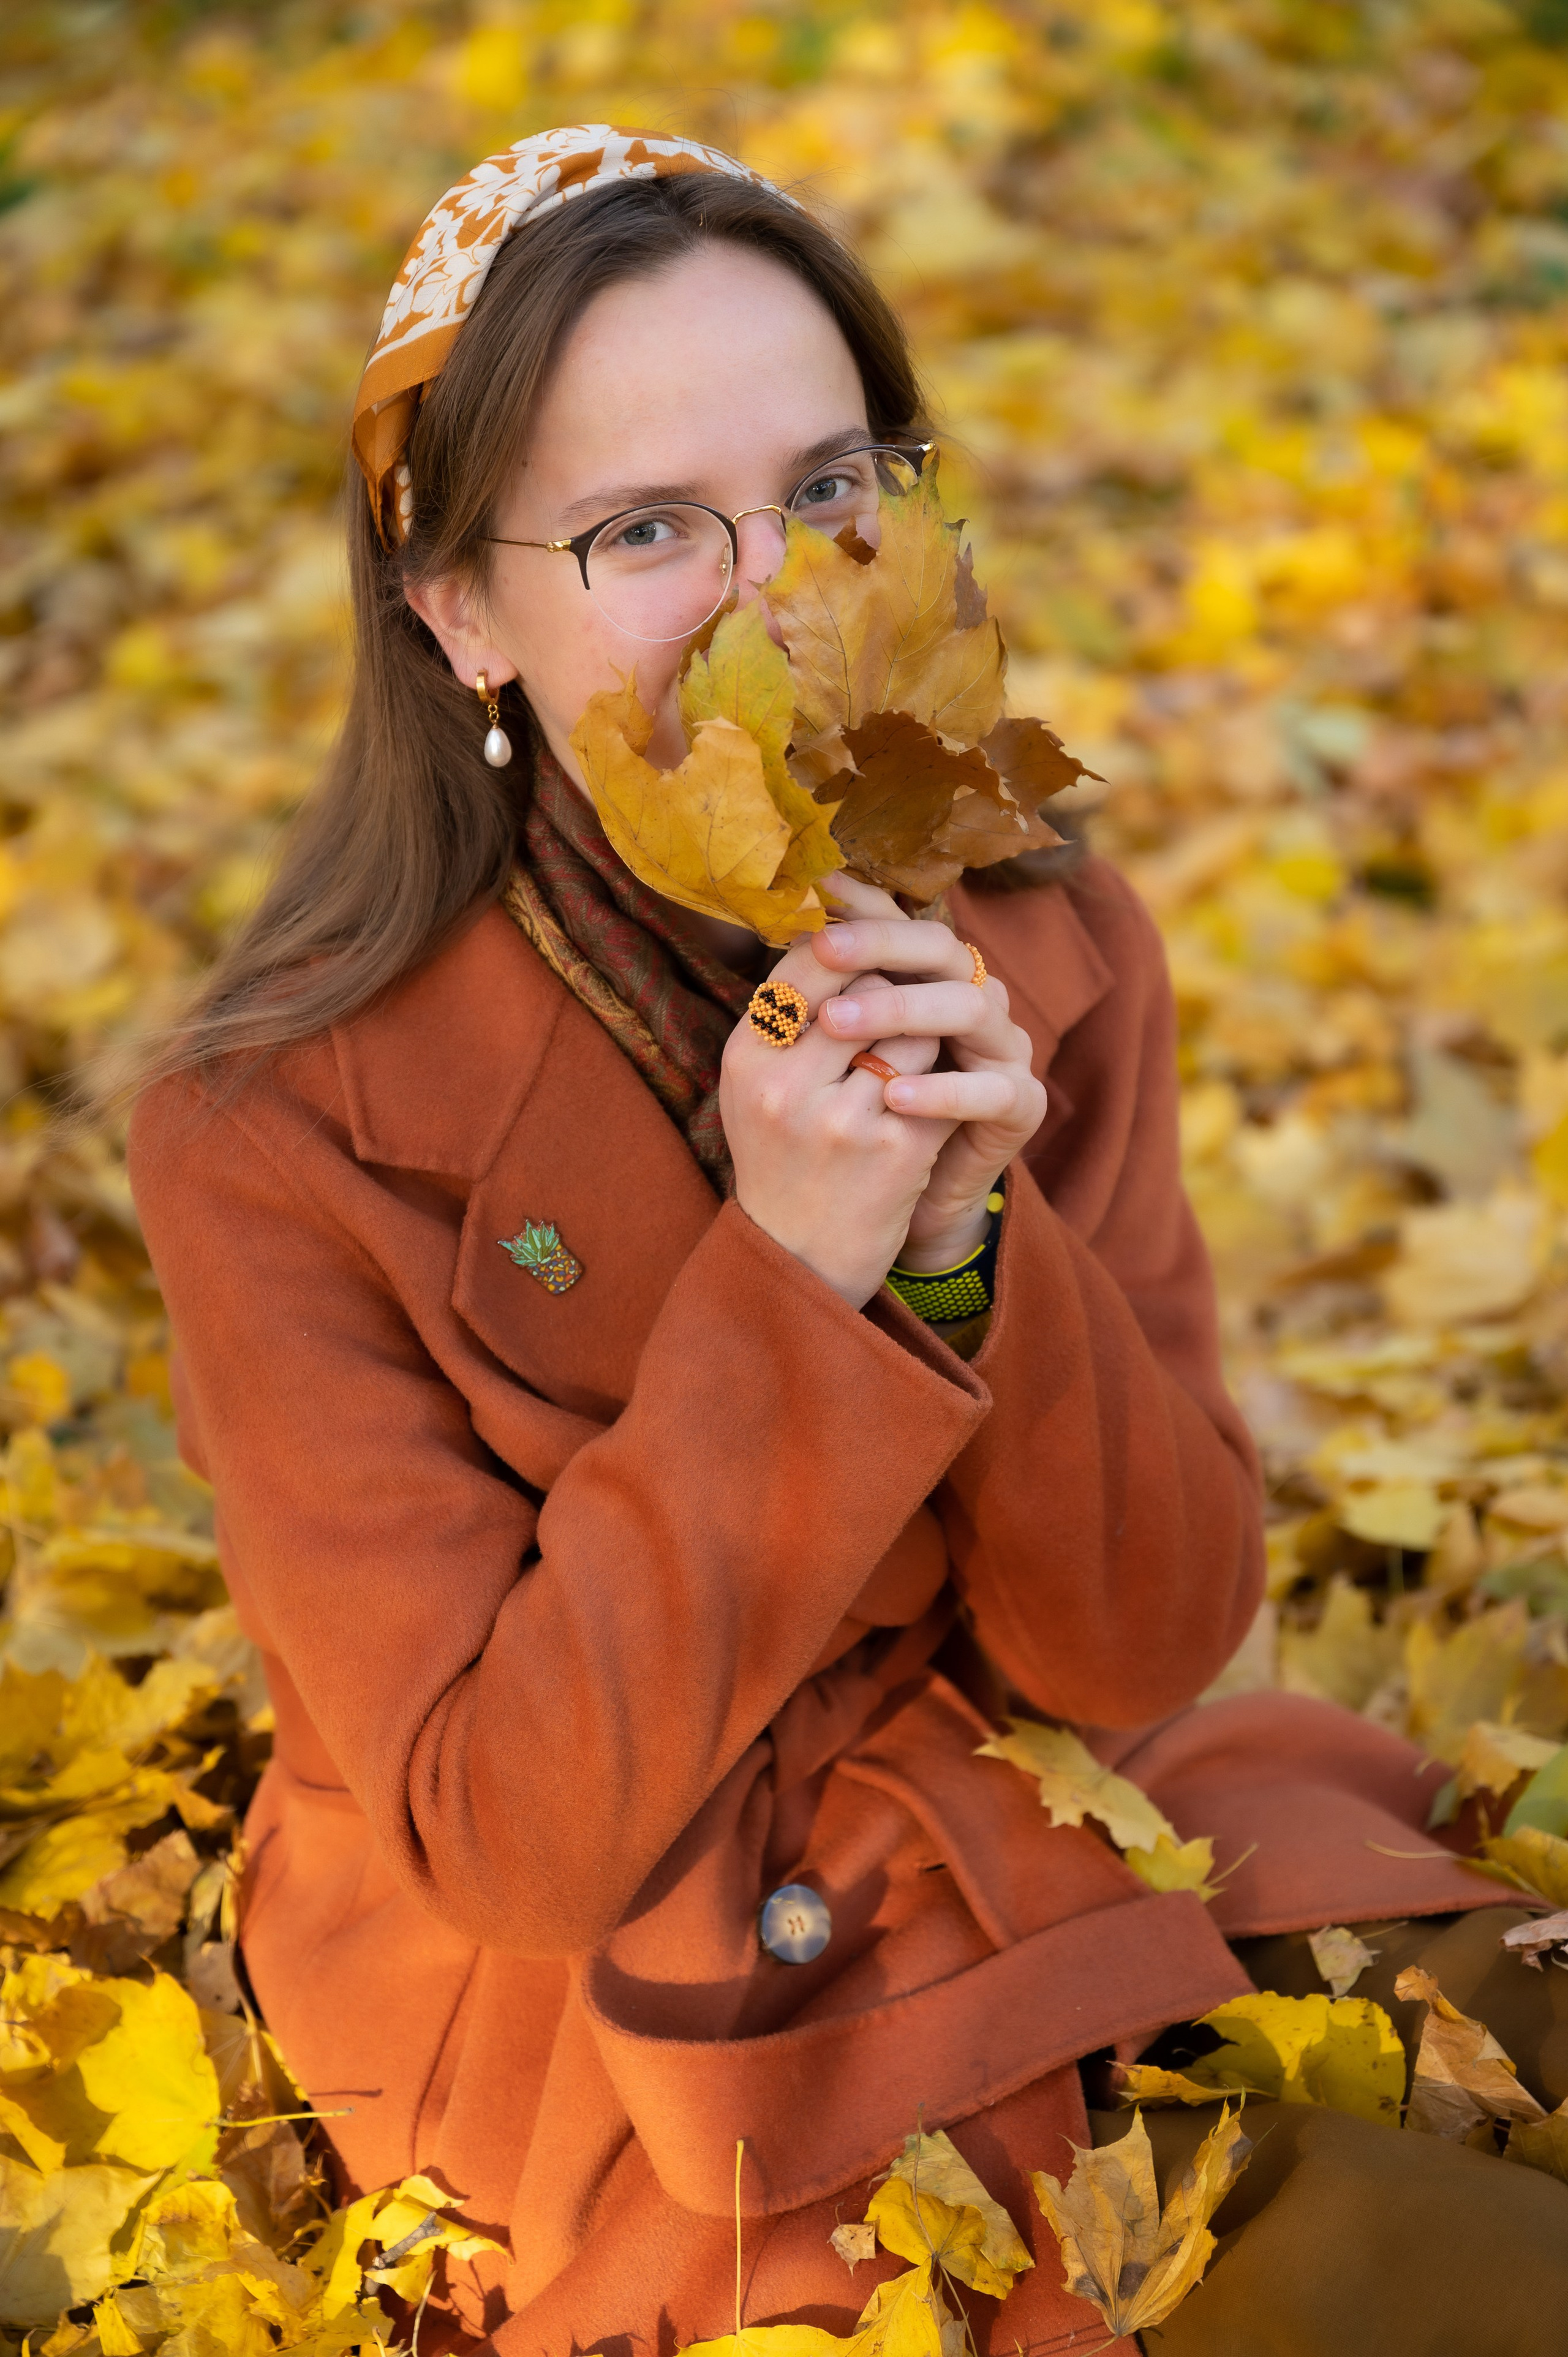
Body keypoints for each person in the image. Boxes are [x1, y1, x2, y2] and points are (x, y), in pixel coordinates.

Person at [127, 127, 1568, 2354]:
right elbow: (512, 1841)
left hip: (1033, 1790)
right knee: (1375, 2281)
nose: (776, 599)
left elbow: (1142, 1644)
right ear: (458, 612)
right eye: (643, 530)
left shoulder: (1051, 940)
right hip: (627, 1999)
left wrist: (973, 1238)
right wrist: (791, 1283)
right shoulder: (282, 1129)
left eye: (828, 490)